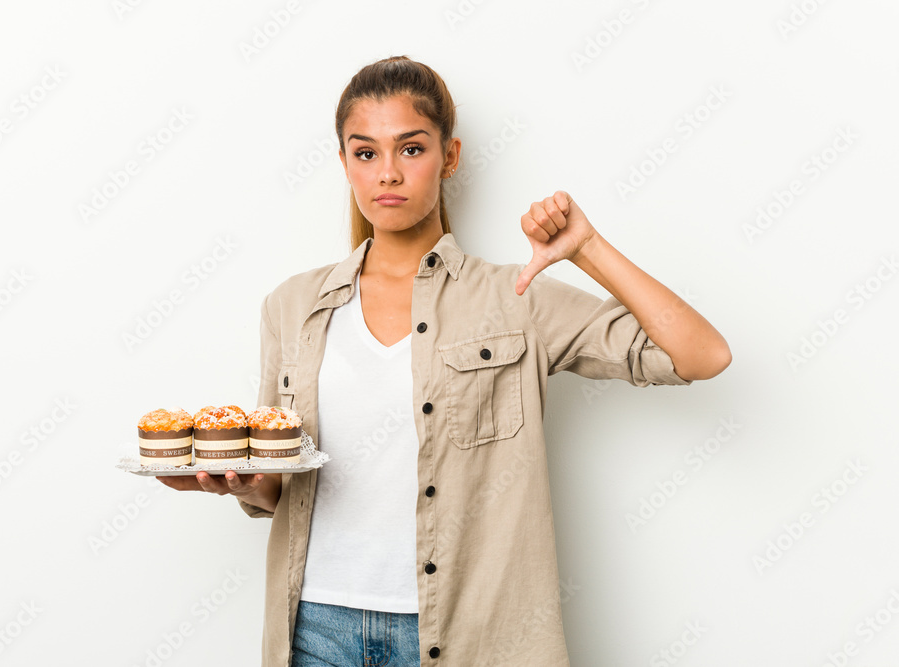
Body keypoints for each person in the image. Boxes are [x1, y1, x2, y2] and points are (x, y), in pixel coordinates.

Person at [159, 55, 731, 666]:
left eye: (411, 149)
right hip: (317, 627)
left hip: (469, 634)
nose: (387, 173)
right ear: (345, 163)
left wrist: (586, 248)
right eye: (365, 152)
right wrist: (235, 481)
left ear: (449, 157)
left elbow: (700, 355)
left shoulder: (516, 300)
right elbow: (284, 485)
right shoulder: (292, 306)